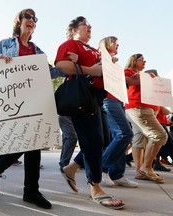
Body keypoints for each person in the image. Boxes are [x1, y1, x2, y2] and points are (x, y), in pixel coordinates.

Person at [0, 8, 60, 209]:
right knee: (21, 144)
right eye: (27, 16)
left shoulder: (39, 52)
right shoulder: (5, 44)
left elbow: (51, 74)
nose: (31, 20)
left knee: (34, 143)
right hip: (11, 99)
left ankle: (30, 190)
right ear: (18, 21)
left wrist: (67, 64)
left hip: (33, 100)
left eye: (34, 18)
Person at [55, 16, 124, 210]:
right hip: (82, 96)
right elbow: (61, 65)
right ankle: (95, 187)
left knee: (103, 141)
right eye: (86, 24)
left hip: (97, 98)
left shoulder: (94, 50)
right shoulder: (70, 44)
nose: (90, 27)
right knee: (92, 140)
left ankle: (71, 168)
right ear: (75, 29)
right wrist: (90, 69)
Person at [99, 36, 138, 188]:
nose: (117, 45)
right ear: (107, 44)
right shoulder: (101, 57)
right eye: (115, 42)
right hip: (108, 99)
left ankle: (117, 174)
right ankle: (102, 168)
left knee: (120, 136)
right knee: (124, 133)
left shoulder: (115, 63)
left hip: (118, 99)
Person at [124, 54, 168, 183]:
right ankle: (147, 167)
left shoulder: (141, 74)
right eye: (141, 59)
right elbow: (126, 81)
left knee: (139, 139)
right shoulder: (129, 71)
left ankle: (139, 171)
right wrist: (146, 79)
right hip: (139, 108)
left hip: (144, 109)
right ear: (134, 60)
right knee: (160, 135)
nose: (145, 61)